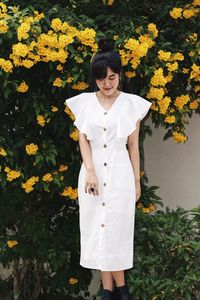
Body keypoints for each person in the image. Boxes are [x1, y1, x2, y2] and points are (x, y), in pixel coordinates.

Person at [66, 37, 152, 300]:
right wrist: (90, 170)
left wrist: (137, 183)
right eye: (102, 79)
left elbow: (133, 146)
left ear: (119, 75)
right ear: (95, 79)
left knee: (117, 228)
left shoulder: (131, 104)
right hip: (93, 175)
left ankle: (119, 290)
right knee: (97, 228)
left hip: (120, 173)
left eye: (112, 77)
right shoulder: (84, 103)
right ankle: (110, 291)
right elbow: (83, 139)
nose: (107, 83)